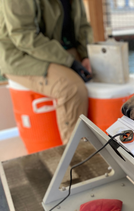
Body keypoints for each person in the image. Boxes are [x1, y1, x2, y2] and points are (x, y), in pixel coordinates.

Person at [0, 0, 93, 144]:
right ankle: (76, 156)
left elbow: (82, 25)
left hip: (57, 49)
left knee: (102, 74)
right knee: (71, 88)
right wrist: (69, 61)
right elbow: (23, 36)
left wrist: (86, 55)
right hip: (20, 54)